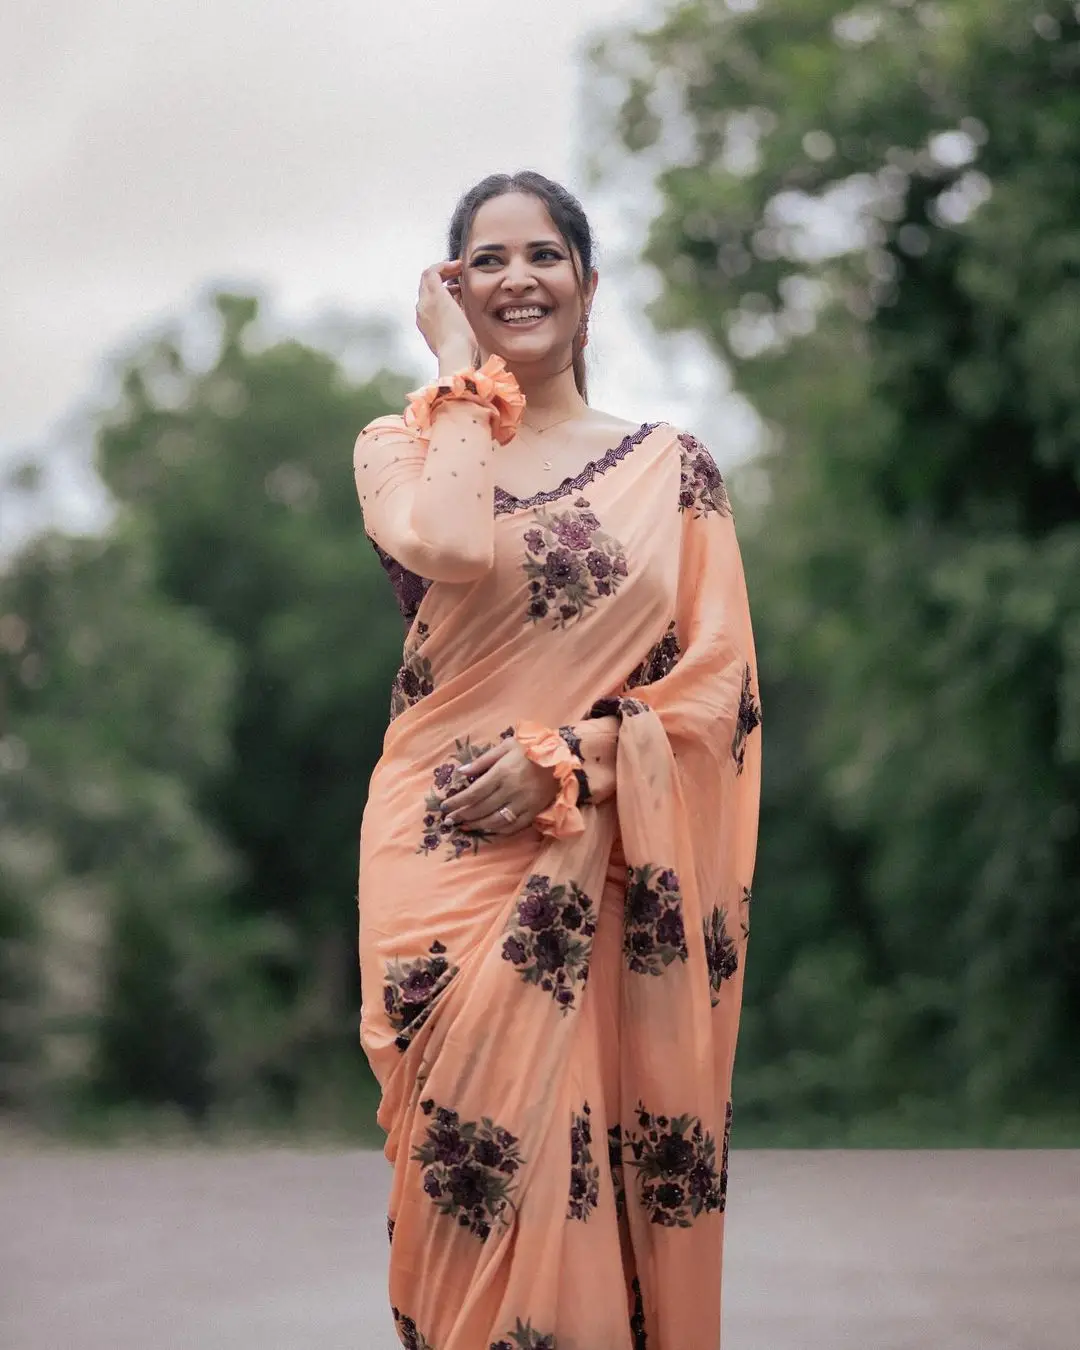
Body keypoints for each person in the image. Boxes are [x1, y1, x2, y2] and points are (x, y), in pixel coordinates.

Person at [353, 170, 762, 1350]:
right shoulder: (402, 445)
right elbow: (448, 542)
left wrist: (575, 760)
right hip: (436, 859)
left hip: (593, 853)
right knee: (466, 1183)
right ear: (450, 288)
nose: (516, 278)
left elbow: (715, 688)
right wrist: (454, 378)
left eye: (543, 256)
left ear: (588, 287)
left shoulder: (669, 469)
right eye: (484, 261)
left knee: (574, 1177)